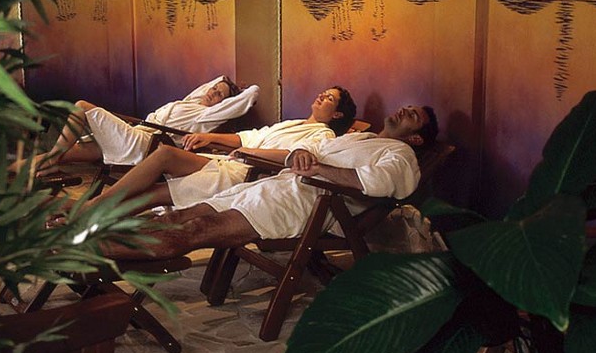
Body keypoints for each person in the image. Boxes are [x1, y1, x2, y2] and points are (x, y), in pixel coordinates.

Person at [101, 104, 438, 260]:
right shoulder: (353, 140)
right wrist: (297, 156)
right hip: (270, 188)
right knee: (173, 217)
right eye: (405, 107)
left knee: (192, 232)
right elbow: (304, 150)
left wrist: (317, 168)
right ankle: (85, 238)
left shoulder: (400, 156)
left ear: (417, 139)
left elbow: (377, 183)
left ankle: (86, 253)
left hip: (303, 205)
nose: (402, 111)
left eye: (412, 116)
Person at [88, 86, 359, 214]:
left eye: (330, 98)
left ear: (337, 115)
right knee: (163, 156)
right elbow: (250, 136)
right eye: (323, 92)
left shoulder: (323, 134)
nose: (322, 95)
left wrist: (250, 155)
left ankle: (93, 218)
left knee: (153, 194)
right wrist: (208, 137)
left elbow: (294, 158)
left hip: (250, 175)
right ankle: (95, 211)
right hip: (232, 162)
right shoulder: (294, 122)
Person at [33, 76, 255, 172]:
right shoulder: (191, 102)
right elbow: (210, 86)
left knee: (81, 106)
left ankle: (52, 156)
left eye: (219, 95)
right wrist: (224, 83)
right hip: (136, 132)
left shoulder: (206, 116)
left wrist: (237, 91)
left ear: (224, 105)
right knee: (67, 153)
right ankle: (6, 172)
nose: (212, 93)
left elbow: (252, 94)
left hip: (144, 145)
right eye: (213, 88)